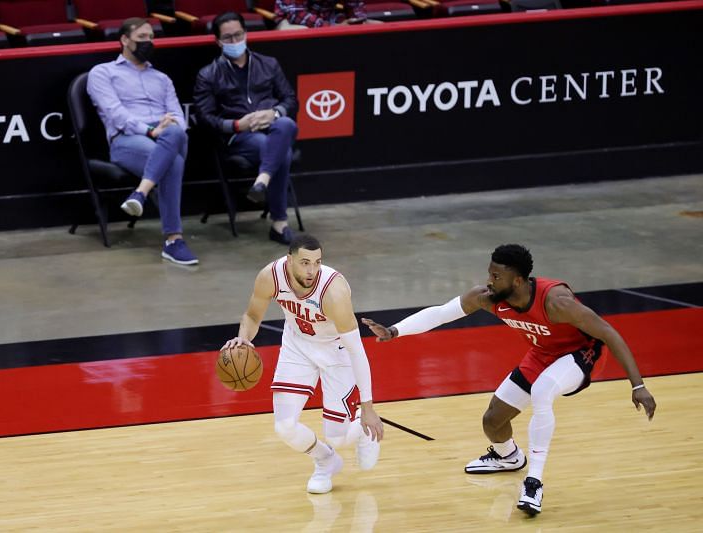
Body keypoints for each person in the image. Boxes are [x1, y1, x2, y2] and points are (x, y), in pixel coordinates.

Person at [362, 244, 657, 516]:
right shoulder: (489, 298)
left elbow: (608, 332)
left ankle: (534, 483)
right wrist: (393, 331)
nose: (490, 280)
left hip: (583, 354)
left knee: (542, 391)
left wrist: (638, 385)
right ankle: (509, 457)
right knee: (492, 420)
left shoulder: (557, 302)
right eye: (490, 273)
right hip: (543, 353)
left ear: (517, 280)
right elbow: (440, 314)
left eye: (496, 275)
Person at [223, 234, 384, 493]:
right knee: (284, 427)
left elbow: (357, 351)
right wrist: (243, 340)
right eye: (305, 263)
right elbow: (253, 315)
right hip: (297, 345)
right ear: (289, 261)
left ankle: (361, 430)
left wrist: (368, 408)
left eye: (317, 263)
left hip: (336, 353)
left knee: (338, 437)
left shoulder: (333, 292)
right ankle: (325, 460)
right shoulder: (270, 276)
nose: (312, 270)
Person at [87, 17, 198, 265]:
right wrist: (150, 131)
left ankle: (140, 193)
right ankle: (173, 240)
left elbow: (178, 117)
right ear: (124, 40)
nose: (148, 43)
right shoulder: (103, 73)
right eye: (141, 39)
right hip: (127, 141)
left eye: (151, 38)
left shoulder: (162, 78)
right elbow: (115, 114)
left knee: (176, 132)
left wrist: (167, 130)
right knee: (175, 163)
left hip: (166, 139)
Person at [193, 11, 299, 245]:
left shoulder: (268, 64)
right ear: (218, 41)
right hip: (239, 138)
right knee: (281, 151)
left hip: (273, 128)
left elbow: (290, 100)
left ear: (246, 33)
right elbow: (204, 118)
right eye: (228, 38)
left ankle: (262, 180)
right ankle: (279, 222)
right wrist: (236, 124)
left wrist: (274, 113)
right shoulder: (208, 74)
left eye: (238, 35)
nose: (234, 41)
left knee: (285, 122)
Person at [274, 0, 378, 29]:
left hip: (328, 15)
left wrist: (357, 21)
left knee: (377, 25)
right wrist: (333, 27)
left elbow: (355, 6)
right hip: (290, 20)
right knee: (302, 32)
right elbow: (296, 13)